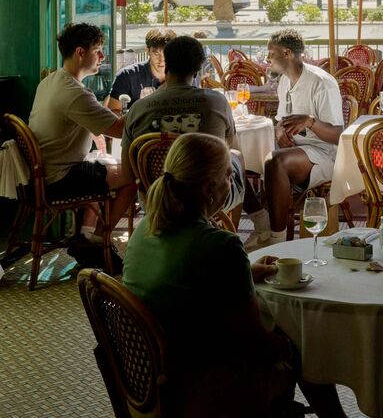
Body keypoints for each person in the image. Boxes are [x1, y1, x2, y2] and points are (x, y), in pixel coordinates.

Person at [123, 132, 347, 418]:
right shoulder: (221, 246)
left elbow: (187, 282)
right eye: (229, 176)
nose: (232, 183)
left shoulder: (145, 228)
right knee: (299, 338)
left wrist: (246, 273)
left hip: (147, 375)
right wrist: (297, 347)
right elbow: (254, 341)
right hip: (201, 387)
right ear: (209, 188)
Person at [28, 23, 136, 261]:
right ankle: (97, 240)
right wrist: (144, 107)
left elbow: (70, 120)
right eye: (97, 50)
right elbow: (119, 130)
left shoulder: (50, 81)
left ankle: (86, 235)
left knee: (101, 165)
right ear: (80, 52)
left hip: (40, 174)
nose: (102, 57)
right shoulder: (75, 93)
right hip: (60, 178)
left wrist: (94, 130)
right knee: (131, 174)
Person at [121, 35, 245, 216]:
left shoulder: (137, 109)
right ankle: (230, 228)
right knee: (236, 156)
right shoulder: (216, 102)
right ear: (196, 71)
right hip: (208, 199)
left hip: (157, 199)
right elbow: (229, 150)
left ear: (167, 66)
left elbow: (127, 174)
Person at [244, 29, 343, 251]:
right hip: (296, 149)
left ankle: (276, 240)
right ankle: (261, 221)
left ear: (287, 53)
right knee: (238, 156)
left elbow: (338, 135)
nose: (267, 59)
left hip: (324, 152)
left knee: (275, 161)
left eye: (271, 54)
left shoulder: (320, 82)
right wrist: (280, 132)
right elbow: (282, 120)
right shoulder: (284, 82)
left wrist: (310, 122)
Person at [108, 27, 177, 109]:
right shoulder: (127, 75)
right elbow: (113, 112)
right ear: (147, 50)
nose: (161, 59)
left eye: (166, 53)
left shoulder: (183, 75)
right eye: (156, 53)